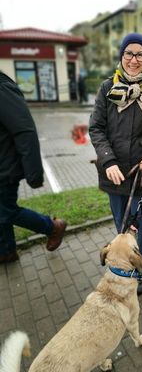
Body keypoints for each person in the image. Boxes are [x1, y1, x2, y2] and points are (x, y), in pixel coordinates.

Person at [89, 33, 142, 294]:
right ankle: (123, 264)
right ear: (121, 56)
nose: (133, 59)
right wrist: (108, 161)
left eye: (139, 54)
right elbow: (96, 129)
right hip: (114, 174)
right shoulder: (106, 89)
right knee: (122, 226)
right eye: (129, 53)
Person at [0, 72, 67, 264]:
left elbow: (24, 129)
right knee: (3, 211)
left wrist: (34, 173)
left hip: (4, 167)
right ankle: (6, 251)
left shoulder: (1, 87)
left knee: (6, 210)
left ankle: (52, 227)